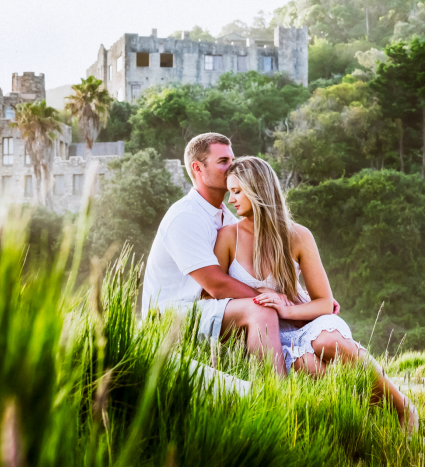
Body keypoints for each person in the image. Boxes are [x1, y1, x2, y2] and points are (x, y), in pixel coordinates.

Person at [213, 155, 418, 431]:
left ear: (258, 189)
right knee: (307, 365)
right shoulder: (228, 237)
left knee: (329, 342)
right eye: (229, 192)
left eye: (237, 191)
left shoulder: (297, 235)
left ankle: (403, 410)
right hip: (270, 337)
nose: (231, 200)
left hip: (306, 321)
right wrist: (253, 297)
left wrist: (287, 309)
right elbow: (212, 296)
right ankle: (365, 424)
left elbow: (324, 302)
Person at [142, 133, 298, 376]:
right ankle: (273, 394)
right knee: (261, 310)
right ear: (197, 168)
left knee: (286, 321)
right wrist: (270, 300)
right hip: (171, 315)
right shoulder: (186, 215)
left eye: (232, 159)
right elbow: (216, 284)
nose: (232, 167)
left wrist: (301, 303)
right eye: (223, 161)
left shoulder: (227, 217)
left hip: (208, 309)